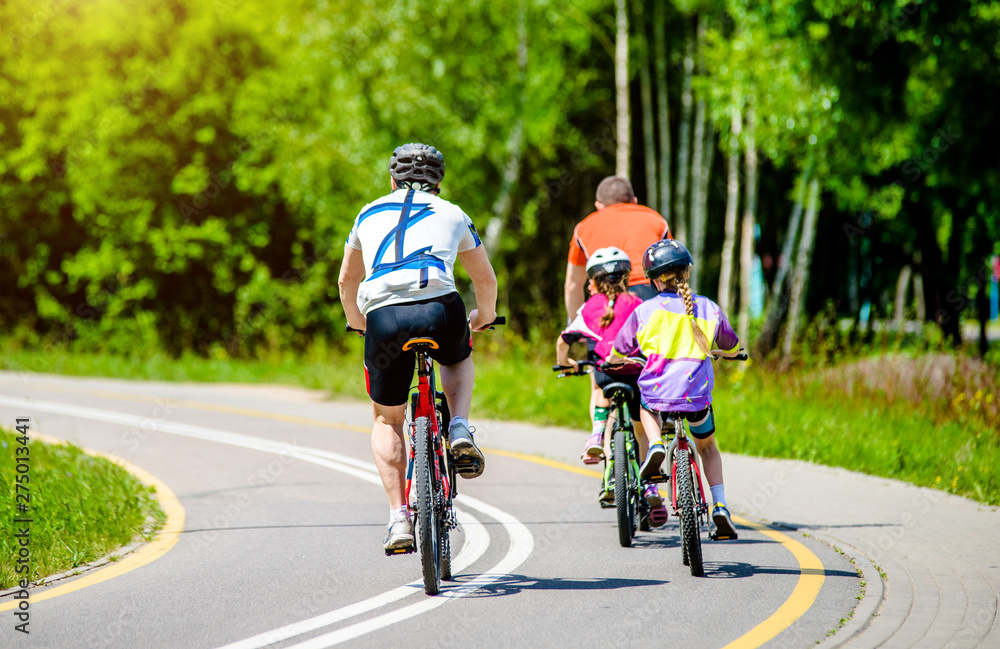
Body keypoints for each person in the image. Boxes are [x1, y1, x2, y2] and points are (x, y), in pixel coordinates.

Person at [338, 143, 499, 552]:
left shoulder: (366, 213)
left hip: (384, 319)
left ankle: (399, 519)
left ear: (391, 180)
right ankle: (458, 426)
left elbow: (346, 282)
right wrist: (484, 316)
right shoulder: (454, 213)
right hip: (440, 310)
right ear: (438, 183)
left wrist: (358, 322)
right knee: (458, 357)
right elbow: (485, 279)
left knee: (387, 420)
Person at [607, 239, 741, 540]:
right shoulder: (708, 308)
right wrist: (728, 352)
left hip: (659, 396)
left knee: (645, 405)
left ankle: (656, 443)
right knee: (708, 448)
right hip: (696, 398)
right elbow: (731, 345)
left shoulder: (645, 311)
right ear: (687, 273)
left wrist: (615, 360)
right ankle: (720, 505)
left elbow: (619, 349)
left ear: (654, 280)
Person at [556, 247, 668, 524]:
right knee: (641, 430)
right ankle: (651, 485)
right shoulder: (638, 303)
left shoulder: (589, 307)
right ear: (627, 277)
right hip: (635, 375)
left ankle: (596, 436)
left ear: (594, 282)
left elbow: (564, 340)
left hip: (607, 375)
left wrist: (565, 362)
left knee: (599, 387)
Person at [563, 176, 671, 456]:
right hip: (649, 294)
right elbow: (671, 269)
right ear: (634, 201)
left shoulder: (584, 226)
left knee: (600, 375)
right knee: (650, 367)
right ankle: (658, 430)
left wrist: (578, 325)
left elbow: (573, 284)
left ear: (598, 205)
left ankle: (607, 452)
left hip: (605, 301)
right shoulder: (656, 219)